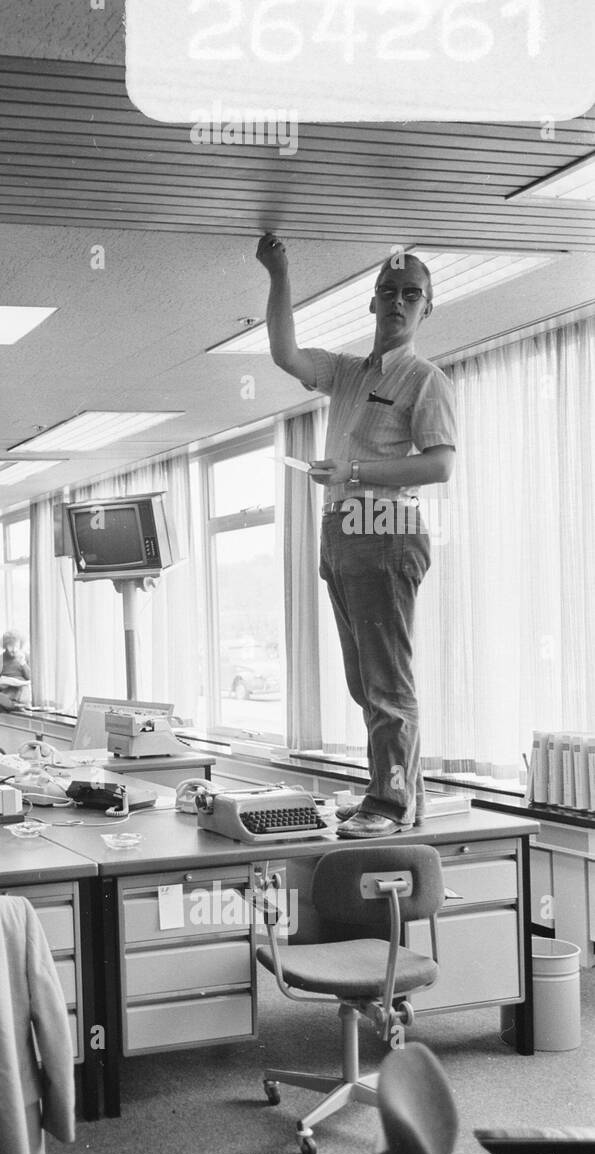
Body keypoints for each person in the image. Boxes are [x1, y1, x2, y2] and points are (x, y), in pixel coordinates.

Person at [257, 233, 457, 838]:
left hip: (386, 526)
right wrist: (279, 271)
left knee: (387, 681)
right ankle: (395, 793)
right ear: (371, 303)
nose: (398, 302)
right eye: (388, 291)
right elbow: (287, 353)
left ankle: (391, 805)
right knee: (363, 680)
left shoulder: (425, 378)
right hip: (342, 529)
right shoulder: (346, 372)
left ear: (426, 308)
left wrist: (353, 471)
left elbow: (440, 464)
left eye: (411, 294)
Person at [0, 630, 31, 712]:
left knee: (21, 690)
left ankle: (4, 706)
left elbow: (30, 678)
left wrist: (23, 663)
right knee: (0, 693)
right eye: (11, 646)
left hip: (21, 691)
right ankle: (9, 705)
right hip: (5, 691)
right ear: (5, 645)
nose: (14, 649)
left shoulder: (25, 657)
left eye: (16, 646)